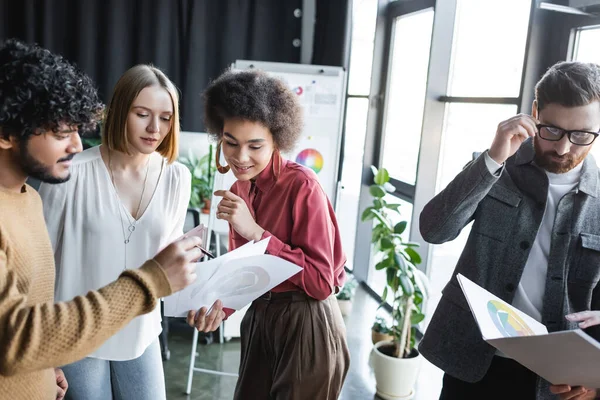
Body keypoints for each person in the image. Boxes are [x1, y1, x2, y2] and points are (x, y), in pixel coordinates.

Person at [0, 38, 221, 400]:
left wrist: (203, 297)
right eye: (142, 113)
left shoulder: (176, 178)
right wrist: (48, 359)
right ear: (119, 111)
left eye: (165, 118)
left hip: (141, 329)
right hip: (74, 332)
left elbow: (172, 261)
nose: (154, 128)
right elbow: (41, 272)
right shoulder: (67, 173)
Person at [418, 60, 600, 400]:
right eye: (552, 131)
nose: (563, 148)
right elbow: (434, 230)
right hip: (473, 359)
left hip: (553, 379)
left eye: (580, 136)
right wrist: (492, 158)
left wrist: (594, 383)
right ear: (534, 113)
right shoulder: (494, 166)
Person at [192, 69, 350, 399]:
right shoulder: (239, 188)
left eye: (255, 146)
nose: (240, 157)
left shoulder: (302, 187)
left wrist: (256, 232)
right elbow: (244, 269)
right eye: (230, 143)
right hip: (261, 318)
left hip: (307, 323)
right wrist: (221, 310)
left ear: (277, 139)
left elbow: (322, 282)